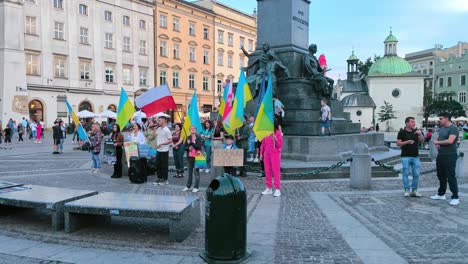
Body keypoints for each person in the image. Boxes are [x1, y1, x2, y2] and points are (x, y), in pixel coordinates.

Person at [431, 113, 460, 206]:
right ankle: (441, 194)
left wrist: (437, 142)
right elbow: (440, 139)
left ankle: (455, 197)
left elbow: (450, 141)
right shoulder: (442, 128)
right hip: (441, 155)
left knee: (450, 176)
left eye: (441, 118)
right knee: (441, 175)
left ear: (447, 118)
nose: (439, 120)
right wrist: (438, 144)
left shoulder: (454, 128)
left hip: (450, 155)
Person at [396, 117, 424, 197]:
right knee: (405, 173)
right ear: (407, 123)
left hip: (415, 156)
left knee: (416, 174)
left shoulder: (416, 131)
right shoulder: (402, 132)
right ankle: (406, 190)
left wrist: (420, 134)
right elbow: (398, 143)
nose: (414, 123)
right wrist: (407, 142)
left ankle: (414, 191)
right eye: (412, 122)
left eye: (414, 122)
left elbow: (422, 141)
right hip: (405, 156)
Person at [260, 119, 283, 197]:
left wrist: (276, 139)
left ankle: (277, 189)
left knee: (276, 171)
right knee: (267, 171)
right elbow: (263, 144)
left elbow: (279, 145)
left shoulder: (278, 133)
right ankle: (269, 188)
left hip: (275, 154)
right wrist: (261, 154)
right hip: (267, 154)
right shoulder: (266, 133)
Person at [183, 126, 202, 193]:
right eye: (191, 129)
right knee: (189, 172)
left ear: (196, 130)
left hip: (197, 157)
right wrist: (188, 148)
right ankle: (188, 186)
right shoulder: (188, 137)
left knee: (196, 172)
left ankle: (196, 187)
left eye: (194, 129)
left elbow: (198, 147)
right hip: (189, 157)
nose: (192, 130)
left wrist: (191, 143)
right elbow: (184, 147)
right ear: (189, 130)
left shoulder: (198, 137)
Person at [154, 116, 172, 185]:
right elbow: (155, 136)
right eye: (158, 120)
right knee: (158, 164)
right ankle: (159, 178)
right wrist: (155, 129)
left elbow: (170, 140)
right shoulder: (159, 129)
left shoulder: (167, 130)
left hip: (164, 150)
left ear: (164, 121)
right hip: (159, 149)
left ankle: (165, 179)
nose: (158, 122)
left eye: (159, 120)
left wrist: (162, 144)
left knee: (164, 165)